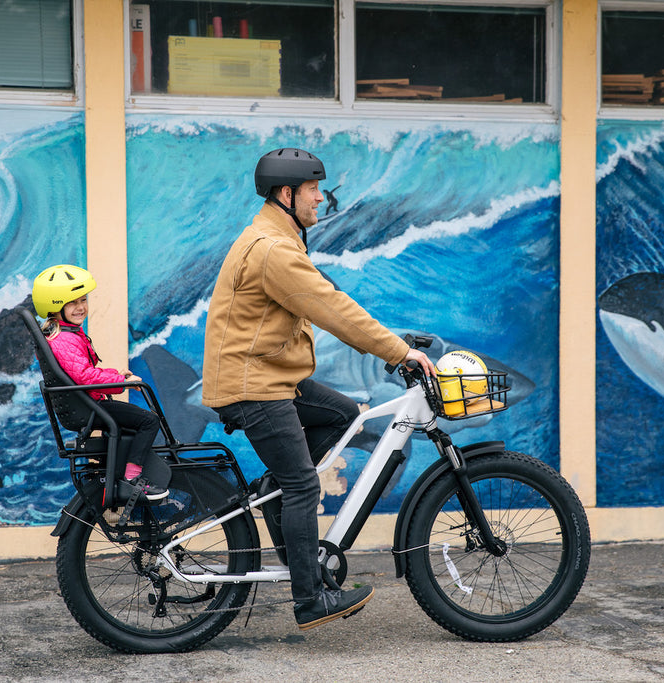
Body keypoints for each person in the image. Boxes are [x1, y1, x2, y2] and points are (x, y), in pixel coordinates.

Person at [201, 148, 435, 631]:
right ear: (287, 194)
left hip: (271, 376)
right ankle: (310, 600)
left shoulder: (276, 237)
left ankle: (278, 493)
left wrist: (392, 342)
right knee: (304, 483)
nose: (321, 198)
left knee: (343, 414)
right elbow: (330, 307)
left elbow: (327, 302)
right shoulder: (273, 250)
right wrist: (397, 352)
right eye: (313, 190)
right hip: (256, 384)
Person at [32, 264, 170, 507]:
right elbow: (85, 377)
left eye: (83, 300)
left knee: (134, 424)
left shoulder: (63, 334)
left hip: (86, 404)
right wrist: (121, 382)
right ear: (54, 307)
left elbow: (84, 373)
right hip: (88, 407)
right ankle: (132, 477)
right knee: (149, 420)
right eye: (72, 302)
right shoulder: (65, 339)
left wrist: (118, 375)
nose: (81, 307)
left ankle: (123, 470)